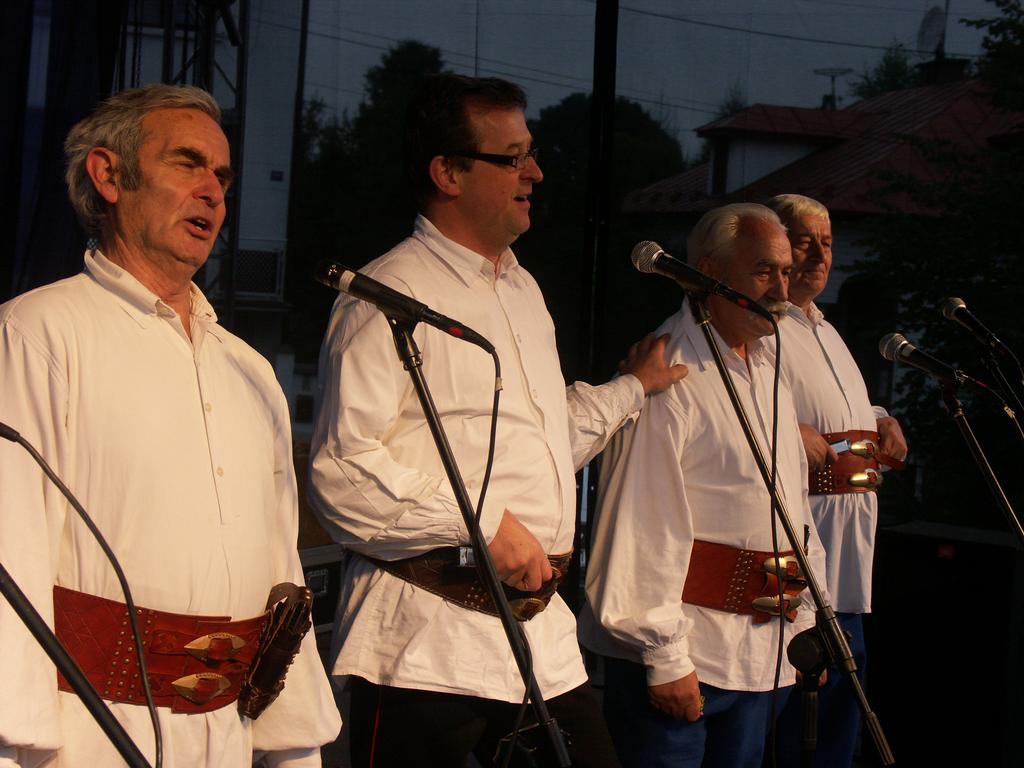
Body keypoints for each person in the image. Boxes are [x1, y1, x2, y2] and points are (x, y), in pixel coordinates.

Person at [308, 73, 687, 768]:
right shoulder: (386, 295)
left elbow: (540, 442)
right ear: (448, 172)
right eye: (512, 157)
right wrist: (482, 524)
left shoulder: (522, 288)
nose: (534, 172)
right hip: (427, 646)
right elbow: (343, 474)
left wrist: (633, 388)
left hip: (539, 642)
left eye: (530, 153)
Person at [0, 84, 340, 767]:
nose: (213, 191)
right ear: (109, 174)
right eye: (187, 163)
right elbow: (12, 549)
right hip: (88, 734)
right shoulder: (39, 332)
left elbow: (280, 565)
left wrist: (293, 746)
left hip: (227, 733)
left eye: (222, 177)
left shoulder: (248, 370)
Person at [578, 203, 828, 768]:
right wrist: (665, 656)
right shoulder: (669, 369)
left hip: (762, 652)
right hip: (686, 657)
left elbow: (791, 508)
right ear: (710, 270)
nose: (781, 290)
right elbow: (641, 522)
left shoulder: (768, 368)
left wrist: (812, 619)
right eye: (764, 271)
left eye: (786, 273)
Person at [763, 194, 907, 768]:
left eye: (827, 243)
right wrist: (784, 428)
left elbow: (841, 406)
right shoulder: (764, 326)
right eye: (805, 242)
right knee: (790, 711)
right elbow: (743, 405)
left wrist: (882, 419)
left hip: (848, 563)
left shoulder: (824, 328)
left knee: (839, 717)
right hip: (796, 557)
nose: (820, 255)